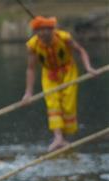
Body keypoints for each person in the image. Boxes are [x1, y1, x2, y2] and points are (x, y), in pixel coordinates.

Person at [22, 16, 96, 152]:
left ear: (52, 30)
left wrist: (88, 68)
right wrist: (28, 92)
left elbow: (81, 51)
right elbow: (31, 68)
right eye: (39, 32)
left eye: (46, 31)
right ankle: (58, 138)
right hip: (49, 75)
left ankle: (63, 138)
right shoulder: (33, 45)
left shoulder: (64, 38)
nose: (43, 35)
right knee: (53, 104)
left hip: (68, 72)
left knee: (68, 105)